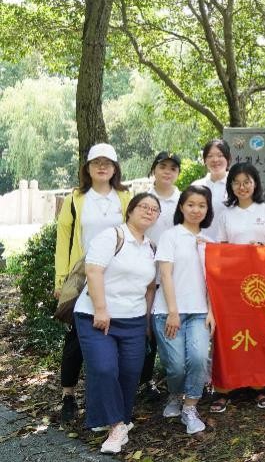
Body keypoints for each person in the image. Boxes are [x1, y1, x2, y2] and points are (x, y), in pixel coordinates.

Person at [73, 192, 160, 454]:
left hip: (133, 319)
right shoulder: (112, 236)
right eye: (143, 206)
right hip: (97, 316)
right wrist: (101, 309)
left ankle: (113, 418)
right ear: (130, 210)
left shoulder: (151, 247)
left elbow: (150, 288)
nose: (148, 211)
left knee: (130, 373)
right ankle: (116, 427)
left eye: (154, 209)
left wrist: (146, 322)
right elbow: (93, 271)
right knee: (104, 368)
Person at [54, 143, 131, 424]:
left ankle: (106, 395)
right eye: (96, 162)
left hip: (116, 275)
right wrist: (61, 279)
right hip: (82, 276)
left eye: (107, 163)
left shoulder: (124, 197)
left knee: (113, 332)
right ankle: (68, 394)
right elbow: (63, 239)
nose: (102, 167)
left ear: (115, 168)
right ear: (87, 168)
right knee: (76, 336)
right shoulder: (76, 198)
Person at [212, 162, 265, 411]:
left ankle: (259, 386)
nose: (242, 187)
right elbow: (220, 249)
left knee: (260, 330)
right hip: (232, 283)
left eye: (247, 182)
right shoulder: (226, 215)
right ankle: (225, 387)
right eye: (237, 182)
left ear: (255, 184)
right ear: (231, 186)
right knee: (230, 331)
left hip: (262, 282)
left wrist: (262, 249)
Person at [153, 185, 215, 434]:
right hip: (168, 311)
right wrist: (173, 311)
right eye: (191, 204)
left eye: (202, 205)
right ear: (181, 207)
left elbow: (214, 282)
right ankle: (175, 395)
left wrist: (212, 311)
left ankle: (190, 407)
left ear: (208, 209)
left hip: (200, 312)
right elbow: (165, 275)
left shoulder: (209, 242)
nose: (196, 210)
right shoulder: (170, 236)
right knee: (176, 365)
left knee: (198, 359)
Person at [141, 151, 182, 395]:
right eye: (162, 166)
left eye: (173, 168)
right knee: (144, 325)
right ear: (154, 169)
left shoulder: (183, 199)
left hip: (172, 275)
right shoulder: (143, 199)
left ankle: (170, 378)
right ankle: (144, 379)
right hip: (144, 273)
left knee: (167, 326)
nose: (167, 172)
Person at [192, 139, 231, 240]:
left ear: (228, 158)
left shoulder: (235, 186)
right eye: (210, 156)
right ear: (205, 160)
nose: (215, 160)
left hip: (229, 245)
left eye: (220, 155)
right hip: (200, 243)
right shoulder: (196, 186)